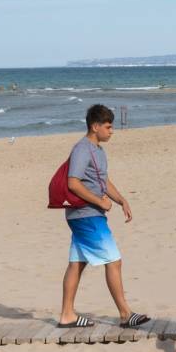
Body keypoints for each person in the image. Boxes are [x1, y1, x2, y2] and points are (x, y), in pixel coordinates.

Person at [58, 104, 150, 329]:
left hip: (85, 215)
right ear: (95, 126)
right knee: (114, 260)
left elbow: (103, 181)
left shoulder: (98, 150)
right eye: (108, 127)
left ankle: (67, 314)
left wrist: (121, 200)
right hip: (86, 215)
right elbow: (73, 182)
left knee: (76, 264)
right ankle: (125, 314)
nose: (112, 131)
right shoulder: (82, 149)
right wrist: (100, 201)